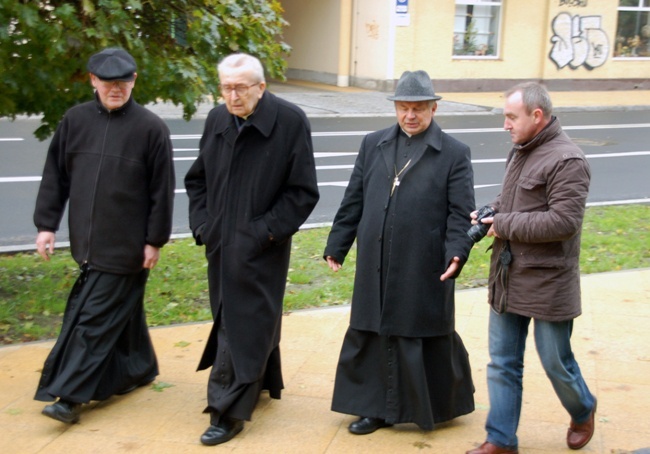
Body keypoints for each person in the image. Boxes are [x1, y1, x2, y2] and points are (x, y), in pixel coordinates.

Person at [323, 70, 476, 434]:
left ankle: (432, 407)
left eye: (419, 108)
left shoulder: (454, 153)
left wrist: (457, 251)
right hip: (374, 261)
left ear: (434, 108)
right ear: (395, 108)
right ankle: (372, 409)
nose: (410, 115)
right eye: (404, 108)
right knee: (372, 331)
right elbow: (354, 199)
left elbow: (461, 213)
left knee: (415, 330)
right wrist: (338, 244)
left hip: (422, 264)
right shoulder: (372, 143)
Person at [33, 48, 175, 424]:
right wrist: (46, 225)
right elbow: (55, 177)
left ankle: (70, 397)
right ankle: (138, 368)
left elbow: (163, 191)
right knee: (119, 313)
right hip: (87, 243)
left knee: (92, 321)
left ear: (134, 81)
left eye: (124, 81)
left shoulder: (151, 128)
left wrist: (154, 240)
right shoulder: (74, 121)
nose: (117, 89)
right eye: (108, 82)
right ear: (93, 80)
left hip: (127, 247)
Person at [184, 53, 319, 446]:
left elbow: (302, 192)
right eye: (226, 87)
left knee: (245, 322)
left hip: (263, 248)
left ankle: (226, 410)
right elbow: (198, 181)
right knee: (236, 317)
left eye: (241, 88)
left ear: (261, 86)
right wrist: (203, 226)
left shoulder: (289, 122)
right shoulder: (216, 119)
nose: (232, 96)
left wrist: (263, 234)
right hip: (221, 245)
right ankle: (259, 381)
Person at [466, 82, 596, 454]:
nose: (505, 125)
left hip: (549, 281)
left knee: (556, 361)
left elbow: (563, 222)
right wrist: (491, 211)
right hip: (509, 275)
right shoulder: (521, 150)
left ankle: (583, 407)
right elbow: (513, 199)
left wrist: (502, 224)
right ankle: (501, 440)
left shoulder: (567, 160)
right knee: (503, 362)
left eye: (511, 117)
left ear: (536, 116)